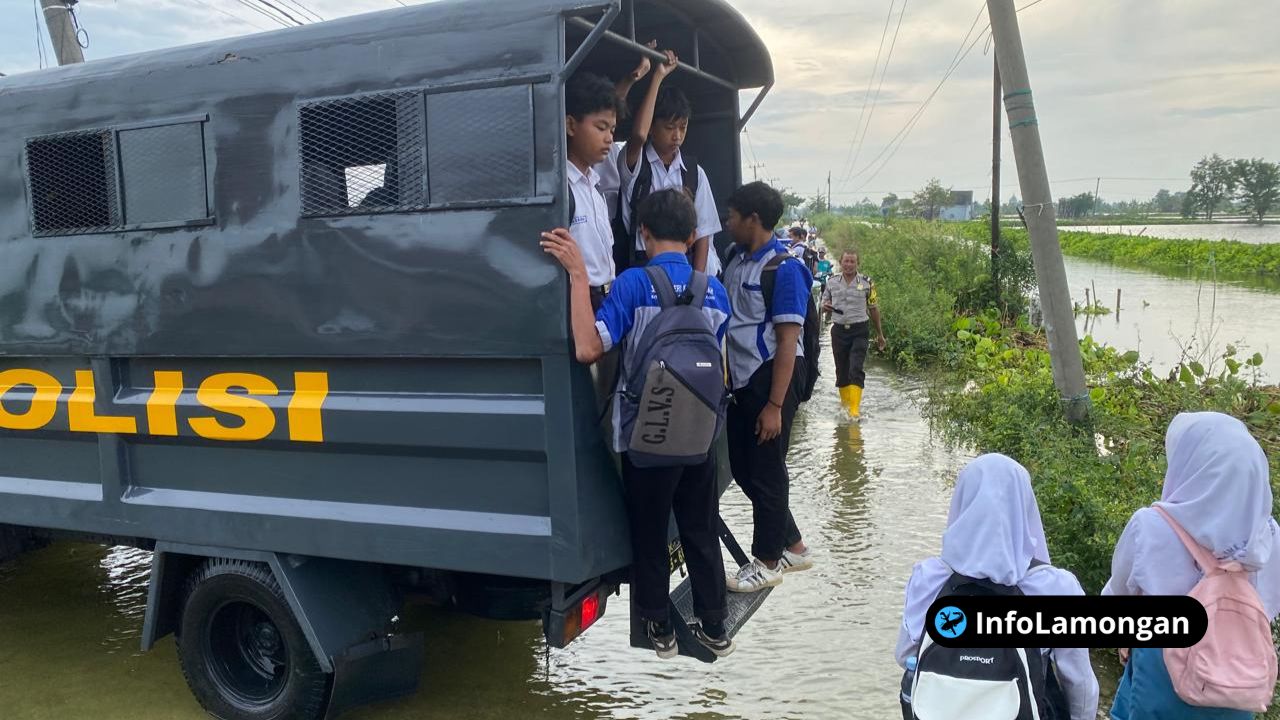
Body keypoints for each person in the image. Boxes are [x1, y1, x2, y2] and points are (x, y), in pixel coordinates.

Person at [540, 188, 735, 659]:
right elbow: (722, 368)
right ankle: (714, 626)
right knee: (700, 529)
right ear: (692, 237)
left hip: (645, 436)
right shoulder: (717, 290)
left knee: (648, 534)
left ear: (643, 233)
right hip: (701, 434)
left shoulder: (631, 284)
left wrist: (578, 275)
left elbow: (589, 348)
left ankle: (660, 628)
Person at [896, 454, 1100, 720]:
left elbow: (905, 656)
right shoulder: (1056, 587)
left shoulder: (928, 578)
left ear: (961, 503)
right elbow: (1079, 682)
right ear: (1025, 506)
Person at [1104, 412, 1280, 719]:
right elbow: (1266, 609)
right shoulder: (1269, 538)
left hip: (1161, 678)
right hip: (1234, 679)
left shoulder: (1151, 526)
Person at [721, 181, 814, 593]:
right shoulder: (736, 258)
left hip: (771, 377)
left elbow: (789, 341)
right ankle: (794, 545)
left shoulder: (785, 268)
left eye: (732, 215)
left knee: (768, 470)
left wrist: (775, 405)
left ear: (753, 220)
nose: (726, 222)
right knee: (743, 467)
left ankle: (768, 561)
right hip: (742, 379)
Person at [620, 80, 723, 277]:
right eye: (669, 127)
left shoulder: (694, 173)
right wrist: (657, 76)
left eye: (683, 127)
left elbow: (704, 233)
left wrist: (696, 282)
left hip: (685, 267)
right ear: (651, 127)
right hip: (644, 265)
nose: (677, 136)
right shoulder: (636, 166)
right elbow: (638, 136)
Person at [559, 73, 625, 312]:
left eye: (613, 129)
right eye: (601, 127)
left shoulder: (596, 187)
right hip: (581, 304)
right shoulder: (561, 189)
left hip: (607, 301)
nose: (609, 138)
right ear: (570, 125)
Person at [821, 250, 886, 419]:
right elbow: (823, 302)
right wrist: (825, 306)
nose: (849, 265)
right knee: (841, 370)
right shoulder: (832, 282)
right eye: (846, 261)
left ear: (858, 264)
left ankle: (854, 411)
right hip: (839, 331)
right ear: (840, 262)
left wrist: (880, 334)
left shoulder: (867, 283)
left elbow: (873, 308)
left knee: (855, 368)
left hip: (860, 330)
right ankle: (845, 405)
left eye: (852, 262)